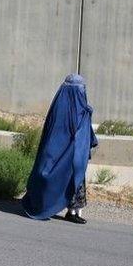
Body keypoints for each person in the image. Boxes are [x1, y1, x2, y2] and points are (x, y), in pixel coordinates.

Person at [21, 73, 98, 223]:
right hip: (60, 153)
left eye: (83, 89)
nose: (82, 92)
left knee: (76, 179)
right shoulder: (62, 109)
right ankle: (42, 205)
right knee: (51, 176)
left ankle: (74, 212)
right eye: (80, 89)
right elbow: (57, 133)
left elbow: (83, 131)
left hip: (75, 154)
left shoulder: (81, 109)